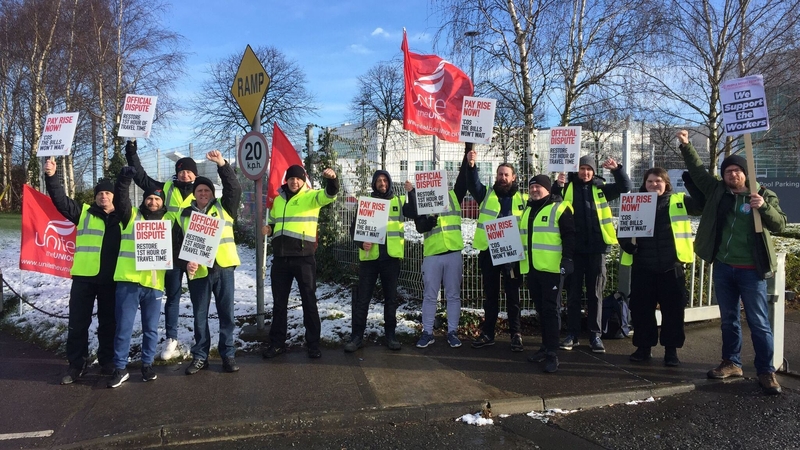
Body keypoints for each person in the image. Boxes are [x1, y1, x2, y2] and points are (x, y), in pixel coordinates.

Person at [677, 130, 787, 395]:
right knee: (728, 319)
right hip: (725, 267)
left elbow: (780, 224)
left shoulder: (763, 194)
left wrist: (764, 207)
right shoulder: (717, 191)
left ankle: (766, 371)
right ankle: (731, 362)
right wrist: (686, 146)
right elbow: (699, 171)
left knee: (759, 322)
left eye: (738, 171)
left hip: (752, 271)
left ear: (746, 173)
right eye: (728, 171)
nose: (733, 175)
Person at [44, 159, 121, 384]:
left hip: (111, 280)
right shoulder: (83, 212)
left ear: (114, 196)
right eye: (100, 193)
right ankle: (76, 365)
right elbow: (59, 200)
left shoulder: (124, 217)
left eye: (107, 193)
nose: (103, 196)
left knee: (109, 324)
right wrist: (51, 176)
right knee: (78, 324)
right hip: (84, 279)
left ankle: (107, 361)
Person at [618, 168, 701, 367]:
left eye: (658, 181)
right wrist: (626, 244)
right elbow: (624, 229)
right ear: (644, 184)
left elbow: (701, 206)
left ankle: (671, 351)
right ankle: (643, 348)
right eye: (650, 182)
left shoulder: (678, 200)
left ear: (666, 184)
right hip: (643, 266)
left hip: (671, 266)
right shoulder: (635, 202)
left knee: (673, 312)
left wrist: (691, 182)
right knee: (642, 311)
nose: (654, 185)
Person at [107, 167, 180, 387]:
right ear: (144, 200)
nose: (153, 201)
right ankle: (120, 368)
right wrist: (124, 178)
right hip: (128, 281)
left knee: (151, 329)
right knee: (124, 328)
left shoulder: (170, 219)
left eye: (156, 198)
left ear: (162, 201)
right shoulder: (130, 215)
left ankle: (147, 365)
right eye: (149, 198)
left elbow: (179, 246)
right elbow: (120, 198)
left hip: (154, 283)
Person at [125, 139, 196, 360]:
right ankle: (171, 338)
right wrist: (131, 152)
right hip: (171, 253)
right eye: (181, 171)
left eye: (188, 172)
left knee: (199, 298)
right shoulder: (165, 188)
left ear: (195, 174)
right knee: (173, 297)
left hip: (196, 252)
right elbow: (141, 177)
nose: (185, 175)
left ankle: (201, 339)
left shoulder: (203, 191)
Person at [553, 155, 631, 353]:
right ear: (576, 170)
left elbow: (625, 186)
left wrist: (617, 169)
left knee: (596, 294)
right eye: (582, 168)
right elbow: (553, 201)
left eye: (589, 169)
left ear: (594, 171)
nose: (585, 172)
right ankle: (572, 334)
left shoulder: (601, 188)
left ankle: (595, 335)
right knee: (573, 295)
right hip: (574, 250)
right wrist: (556, 185)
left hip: (597, 249)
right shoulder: (567, 187)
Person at [261, 165, 339, 359]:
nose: (294, 182)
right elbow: (273, 222)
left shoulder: (312, 196)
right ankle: (277, 343)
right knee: (279, 304)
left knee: (309, 301)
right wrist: (269, 229)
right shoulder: (278, 200)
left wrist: (332, 179)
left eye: (298, 179)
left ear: (303, 180)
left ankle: (313, 344)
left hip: (304, 259)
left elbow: (330, 194)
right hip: (280, 259)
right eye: (291, 178)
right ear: (286, 180)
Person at [177, 150, 243, 375]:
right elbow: (177, 245)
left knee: (227, 315)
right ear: (194, 194)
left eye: (207, 190)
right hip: (199, 272)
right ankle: (200, 356)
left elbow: (235, 188)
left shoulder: (224, 208)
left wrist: (222, 165)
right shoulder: (183, 215)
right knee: (199, 316)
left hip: (223, 268)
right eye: (199, 190)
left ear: (212, 194)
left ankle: (228, 354)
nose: (203, 193)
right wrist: (186, 263)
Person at [463, 144, 528, 351]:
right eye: (500, 174)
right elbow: (473, 184)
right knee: (490, 296)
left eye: (506, 174)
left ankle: (515, 334)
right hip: (489, 252)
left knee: (513, 296)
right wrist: (471, 165)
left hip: (512, 254)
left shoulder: (523, 199)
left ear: (514, 177)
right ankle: (488, 333)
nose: (502, 177)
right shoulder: (486, 194)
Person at [345, 170, 412, 352]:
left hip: (390, 259)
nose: (382, 183)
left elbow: (413, 212)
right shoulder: (366, 203)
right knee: (363, 300)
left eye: (385, 180)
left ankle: (390, 335)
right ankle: (357, 336)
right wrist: (361, 242)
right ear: (374, 184)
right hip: (370, 259)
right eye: (378, 181)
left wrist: (411, 192)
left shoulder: (398, 201)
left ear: (389, 182)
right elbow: (354, 229)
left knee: (390, 300)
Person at [404, 163, 468, 349]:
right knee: (430, 296)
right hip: (433, 254)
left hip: (453, 252)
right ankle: (427, 332)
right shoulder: (424, 199)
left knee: (453, 295)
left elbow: (465, 175)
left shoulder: (455, 195)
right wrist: (412, 194)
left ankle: (452, 332)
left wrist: (468, 152)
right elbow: (419, 226)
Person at [520, 175, 575, 373]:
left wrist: (568, 260)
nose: (534, 190)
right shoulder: (528, 210)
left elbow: (570, 236)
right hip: (533, 269)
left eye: (539, 187)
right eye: (532, 187)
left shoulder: (559, 208)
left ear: (548, 189)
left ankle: (553, 353)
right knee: (541, 310)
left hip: (552, 270)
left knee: (551, 311)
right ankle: (545, 347)